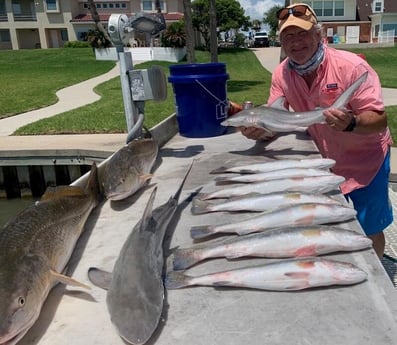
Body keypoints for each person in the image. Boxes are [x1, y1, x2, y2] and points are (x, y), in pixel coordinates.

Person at [240, 3, 393, 259]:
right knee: (329, 229)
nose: (296, 42)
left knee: (369, 228)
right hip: (325, 163)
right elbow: (277, 115)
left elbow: (380, 119)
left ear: (319, 35)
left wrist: (351, 123)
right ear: (282, 42)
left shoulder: (351, 67)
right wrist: (261, 129)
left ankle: (379, 283)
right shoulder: (282, 74)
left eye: (302, 33)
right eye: (288, 36)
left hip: (368, 161)